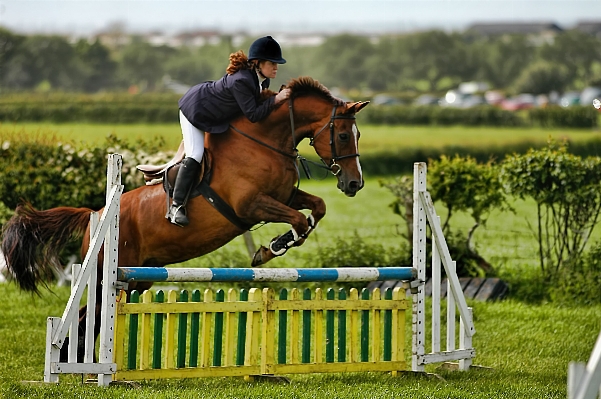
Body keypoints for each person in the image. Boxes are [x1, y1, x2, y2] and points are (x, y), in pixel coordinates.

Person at [168, 36, 291, 227]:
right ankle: (176, 207)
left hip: (215, 113)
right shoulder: (242, 81)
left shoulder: (261, 80)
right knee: (196, 154)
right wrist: (277, 100)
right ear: (258, 63)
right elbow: (253, 114)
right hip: (196, 110)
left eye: (277, 64)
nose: (276, 67)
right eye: (272, 63)